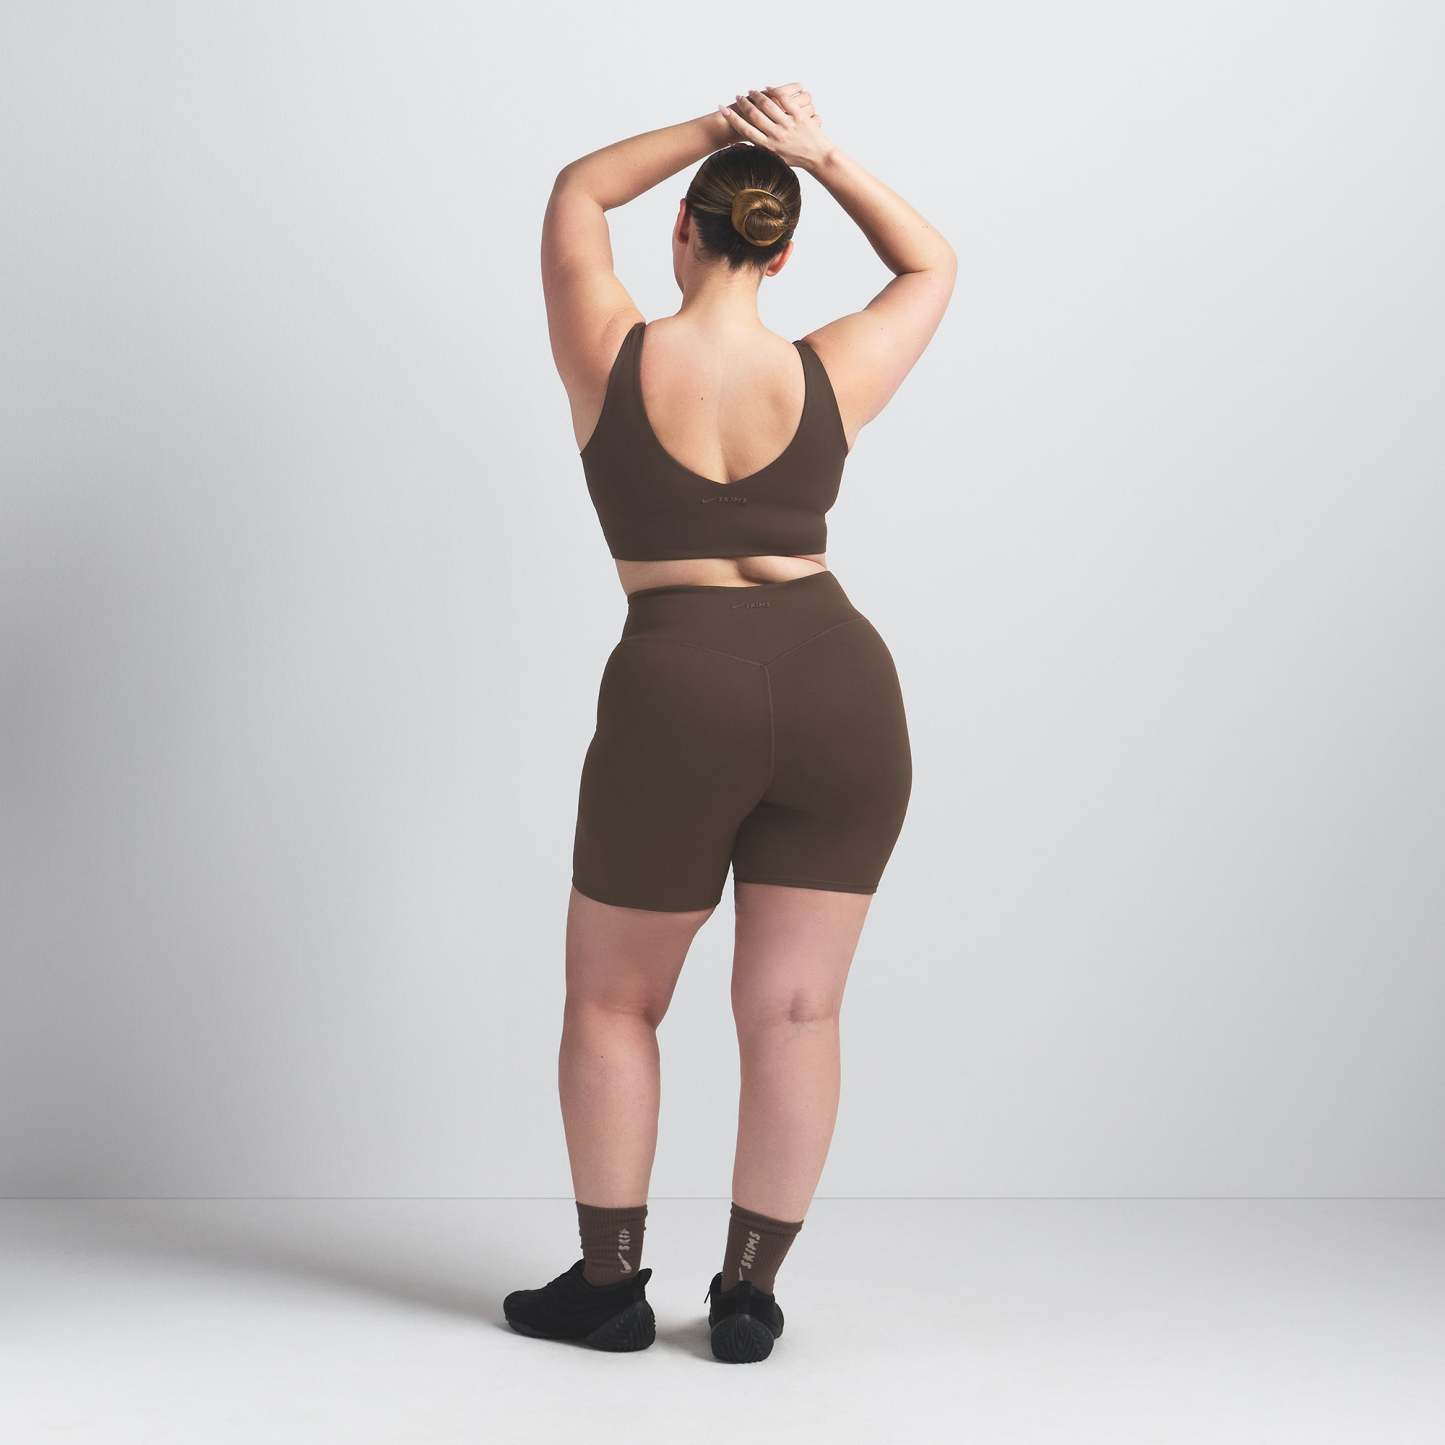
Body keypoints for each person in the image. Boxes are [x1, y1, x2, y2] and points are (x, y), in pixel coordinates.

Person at [503, 85, 955, 1362]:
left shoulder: (608, 350)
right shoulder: (829, 369)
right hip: (838, 684)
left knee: (614, 999)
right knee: (797, 1011)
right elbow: (930, 263)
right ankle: (747, 1297)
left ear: (681, 233)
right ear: (784, 251)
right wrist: (822, 155)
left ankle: (608, 1287)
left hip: (676, 684)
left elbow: (577, 190)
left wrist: (716, 127)